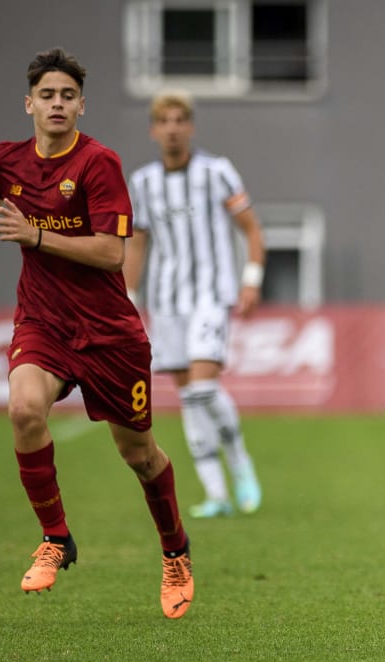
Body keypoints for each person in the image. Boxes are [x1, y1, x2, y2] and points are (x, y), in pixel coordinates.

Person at [0, 48, 193, 619]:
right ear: (29, 103)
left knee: (139, 454)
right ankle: (56, 538)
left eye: (67, 95)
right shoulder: (6, 158)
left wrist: (35, 237)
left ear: (81, 106)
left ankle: (175, 550)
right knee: (24, 410)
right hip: (43, 323)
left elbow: (112, 254)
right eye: (47, 94)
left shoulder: (98, 163)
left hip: (109, 333)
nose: (56, 103)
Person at [124, 89, 266, 519]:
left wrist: (251, 281)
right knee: (188, 398)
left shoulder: (216, 171)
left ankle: (241, 462)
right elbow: (137, 244)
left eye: (178, 120)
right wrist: (128, 298)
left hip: (210, 295)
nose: (171, 128)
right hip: (166, 302)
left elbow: (252, 230)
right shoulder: (143, 182)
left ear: (190, 127)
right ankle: (217, 493)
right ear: (153, 129)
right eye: (163, 121)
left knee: (204, 388)